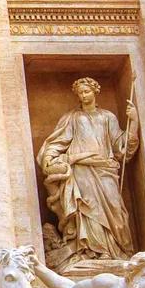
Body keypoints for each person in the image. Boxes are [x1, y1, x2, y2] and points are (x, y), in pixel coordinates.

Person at [37, 77, 138, 263]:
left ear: (94, 91)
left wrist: (134, 123)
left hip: (105, 168)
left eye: (87, 91)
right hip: (81, 169)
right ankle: (92, 251)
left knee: (115, 208)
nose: (84, 95)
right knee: (87, 208)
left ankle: (116, 250)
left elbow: (120, 147)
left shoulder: (107, 117)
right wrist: (49, 158)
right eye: (81, 93)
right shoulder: (72, 118)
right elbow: (58, 142)